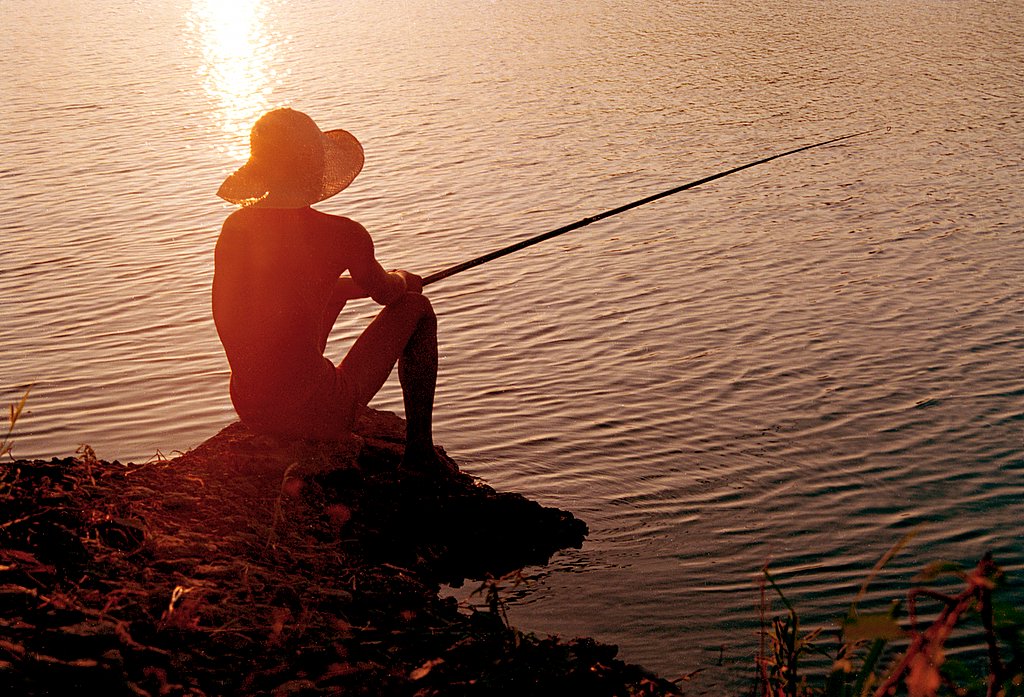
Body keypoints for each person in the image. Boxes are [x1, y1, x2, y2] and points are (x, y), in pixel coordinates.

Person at [213, 107, 443, 471]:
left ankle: (300, 395)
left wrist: (350, 288)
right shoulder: (345, 234)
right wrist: (402, 278)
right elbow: (389, 293)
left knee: (332, 293)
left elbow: (263, 302)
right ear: (313, 166)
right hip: (315, 413)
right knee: (417, 308)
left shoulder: (236, 228)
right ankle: (420, 453)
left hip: (252, 406)